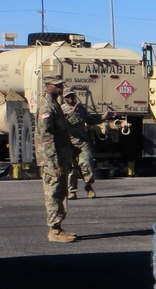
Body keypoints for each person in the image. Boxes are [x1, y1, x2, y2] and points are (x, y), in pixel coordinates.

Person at [34, 75, 76, 242]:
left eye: (61, 85)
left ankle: (58, 227)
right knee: (53, 193)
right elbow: (47, 137)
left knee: (60, 192)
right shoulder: (47, 108)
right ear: (47, 86)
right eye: (56, 85)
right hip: (53, 160)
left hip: (61, 157)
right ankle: (54, 230)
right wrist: (53, 163)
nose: (60, 88)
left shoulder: (55, 105)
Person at [61, 90, 111, 199]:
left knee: (86, 163)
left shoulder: (81, 108)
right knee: (72, 168)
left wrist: (104, 117)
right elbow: (66, 124)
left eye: (72, 96)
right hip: (70, 143)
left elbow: (90, 120)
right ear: (64, 99)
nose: (71, 99)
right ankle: (72, 191)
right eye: (68, 97)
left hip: (82, 141)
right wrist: (73, 112)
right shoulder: (62, 110)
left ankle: (89, 186)